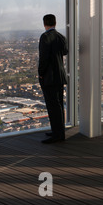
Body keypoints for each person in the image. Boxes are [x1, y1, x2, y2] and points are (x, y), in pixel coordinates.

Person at [38, 14, 68, 144]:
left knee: (52, 106)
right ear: (55, 23)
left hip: (49, 77)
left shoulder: (45, 37)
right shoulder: (61, 37)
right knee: (59, 105)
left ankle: (57, 134)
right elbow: (65, 51)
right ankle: (58, 131)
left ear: (44, 24)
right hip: (60, 76)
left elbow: (43, 58)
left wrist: (40, 73)